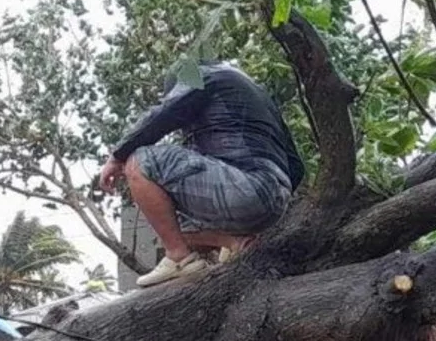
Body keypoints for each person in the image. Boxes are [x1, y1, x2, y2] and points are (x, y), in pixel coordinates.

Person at [97, 63, 304, 287]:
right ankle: (235, 242)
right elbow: (296, 166)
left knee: (141, 161)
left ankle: (178, 258)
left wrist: (118, 155)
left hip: (245, 187)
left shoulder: (200, 75)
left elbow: (166, 112)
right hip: (276, 199)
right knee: (171, 223)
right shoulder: (259, 96)